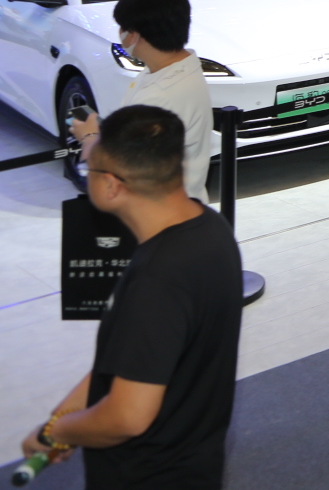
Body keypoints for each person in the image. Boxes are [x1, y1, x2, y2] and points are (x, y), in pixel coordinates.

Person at [20, 106, 242, 485]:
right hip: (197, 462)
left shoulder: (156, 280)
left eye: (89, 167)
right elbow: (136, 360)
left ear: (112, 186)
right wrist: (64, 417)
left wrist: (57, 433)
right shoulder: (211, 229)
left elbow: (127, 417)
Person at [69, 0, 212, 204]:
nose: (119, 34)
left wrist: (89, 138)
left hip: (159, 211)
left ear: (134, 35)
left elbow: (117, 173)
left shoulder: (159, 98)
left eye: (122, 27)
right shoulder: (176, 67)